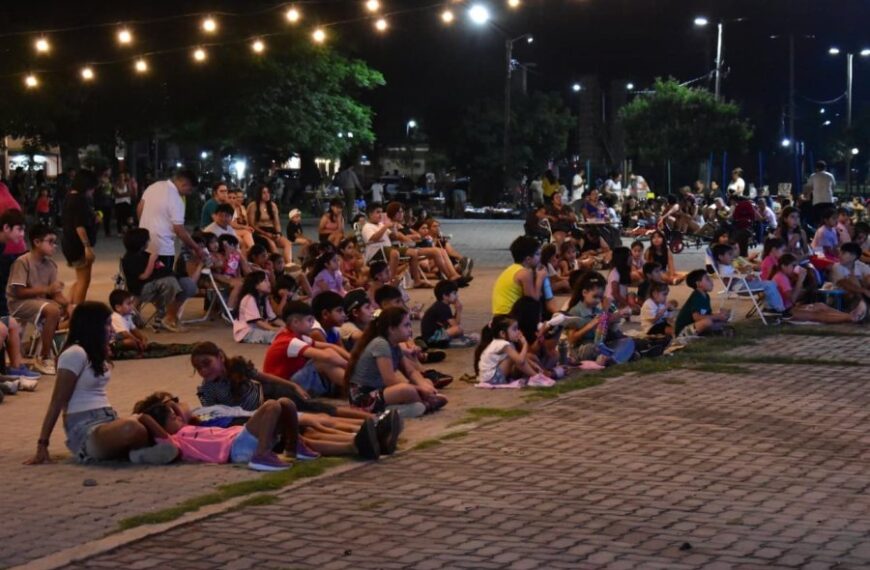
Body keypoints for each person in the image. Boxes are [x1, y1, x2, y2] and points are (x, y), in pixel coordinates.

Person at [25, 302, 175, 465]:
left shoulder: (95, 352)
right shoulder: (74, 354)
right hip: (85, 428)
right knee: (132, 428)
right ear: (92, 326)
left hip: (108, 419)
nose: (111, 329)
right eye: (106, 324)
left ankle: (138, 453)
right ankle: (139, 452)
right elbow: (57, 402)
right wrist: (42, 445)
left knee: (162, 415)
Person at [135, 391, 297, 471]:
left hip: (239, 439)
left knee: (285, 404)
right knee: (271, 405)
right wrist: (143, 417)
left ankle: (294, 448)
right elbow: (155, 428)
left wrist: (170, 406)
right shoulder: (175, 440)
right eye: (173, 418)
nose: (178, 417)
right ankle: (261, 457)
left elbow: (181, 413)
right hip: (235, 448)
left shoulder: (188, 427)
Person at [345, 306, 447, 416]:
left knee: (427, 382)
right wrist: (420, 390)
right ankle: (420, 405)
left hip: (382, 392)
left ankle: (421, 405)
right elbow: (390, 381)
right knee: (407, 390)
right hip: (364, 398)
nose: (410, 330)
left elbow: (410, 372)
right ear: (392, 329)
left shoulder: (395, 346)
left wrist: (425, 386)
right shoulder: (381, 344)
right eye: (406, 325)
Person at [7, 224, 68, 374]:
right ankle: (43, 357)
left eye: (55, 242)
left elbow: (55, 294)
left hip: (39, 302)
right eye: (50, 242)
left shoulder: (51, 265)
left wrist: (67, 304)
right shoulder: (23, 261)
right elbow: (19, 292)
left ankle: (56, 353)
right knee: (52, 310)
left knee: (73, 310)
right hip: (17, 303)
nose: (54, 246)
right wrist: (47, 290)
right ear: (37, 242)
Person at [136, 169, 201, 302]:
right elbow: (179, 230)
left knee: (144, 280)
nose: (188, 194)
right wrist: (196, 248)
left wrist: (145, 227)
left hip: (143, 244)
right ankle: (162, 315)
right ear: (185, 184)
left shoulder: (153, 187)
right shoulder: (177, 200)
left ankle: (135, 310)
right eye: (189, 190)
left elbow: (140, 209)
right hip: (163, 248)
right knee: (165, 283)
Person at [262, 301, 349, 397]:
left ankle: (354, 385)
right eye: (309, 320)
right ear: (295, 322)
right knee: (322, 361)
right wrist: (351, 366)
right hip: (280, 388)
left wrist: (353, 360)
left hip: (290, 381)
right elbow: (327, 356)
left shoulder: (300, 336)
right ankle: (357, 387)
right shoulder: (289, 341)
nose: (312, 324)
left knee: (328, 354)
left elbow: (331, 346)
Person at [121, 228, 189, 332]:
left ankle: (167, 315)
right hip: (141, 290)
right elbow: (143, 276)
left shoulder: (144, 254)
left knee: (180, 282)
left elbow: (160, 268)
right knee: (169, 282)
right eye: (147, 240)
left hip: (153, 285)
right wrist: (152, 260)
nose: (149, 242)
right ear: (141, 243)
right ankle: (162, 315)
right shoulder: (129, 258)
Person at [772, 254, 865, 324]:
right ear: (784, 266)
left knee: (820, 306)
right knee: (817, 315)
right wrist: (800, 280)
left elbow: (793, 295)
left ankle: (849, 315)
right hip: (786, 312)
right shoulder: (781, 278)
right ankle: (850, 317)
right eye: (793, 266)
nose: (795, 268)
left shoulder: (784, 277)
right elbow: (792, 299)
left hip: (789, 308)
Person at [108, 289, 194, 358]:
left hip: (124, 339)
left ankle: (138, 346)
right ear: (118, 307)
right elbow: (125, 333)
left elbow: (133, 329)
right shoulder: (116, 317)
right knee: (130, 342)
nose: (132, 306)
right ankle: (136, 348)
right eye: (128, 304)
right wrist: (137, 341)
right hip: (113, 343)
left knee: (143, 338)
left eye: (131, 303)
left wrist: (142, 338)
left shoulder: (127, 316)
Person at [711, 243, 789, 319]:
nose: (732, 257)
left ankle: (771, 308)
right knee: (769, 285)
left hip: (742, 284)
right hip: (740, 287)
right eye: (729, 254)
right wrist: (743, 275)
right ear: (721, 257)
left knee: (771, 284)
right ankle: (779, 309)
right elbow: (729, 280)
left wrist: (744, 276)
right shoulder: (723, 268)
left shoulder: (727, 266)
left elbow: (735, 275)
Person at [61, 170, 98, 314]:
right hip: (77, 245)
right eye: (92, 188)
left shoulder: (69, 196)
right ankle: (77, 312)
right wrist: (87, 247)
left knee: (79, 278)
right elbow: (79, 226)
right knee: (84, 280)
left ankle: (69, 307)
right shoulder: (80, 200)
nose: (93, 191)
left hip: (69, 243)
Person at [474, 315, 547, 388]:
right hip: (493, 379)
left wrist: (532, 364)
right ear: (502, 334)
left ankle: (538, 375)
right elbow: (520, 361)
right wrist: (525, 344)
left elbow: (521, 358)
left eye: (517, 328)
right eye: (514, 329)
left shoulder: (504, 343)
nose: (518, 332)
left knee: (526, 358)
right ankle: (537, 377)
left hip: (491, 378)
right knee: (515, 359)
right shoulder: (503, 344)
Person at [491, 236, 545, 317]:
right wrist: (540, 277)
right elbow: (533, 301)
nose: (540, 258)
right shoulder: (525, 273)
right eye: (537, 254)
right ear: (528, 259)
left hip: (499, 315)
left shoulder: (512, 269)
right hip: (508, 317)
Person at [421, 280, 477, 349]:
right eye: (454, 293)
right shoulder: (442, 307)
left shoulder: (442, 305)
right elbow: (456, 325)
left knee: (458, 330)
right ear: (445, 296)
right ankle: (457, 341)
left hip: (433, 335)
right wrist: (458, 310)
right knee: (458, 329)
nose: (457, 296)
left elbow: (452, 324)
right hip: (431, 338)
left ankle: (460, 340)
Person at [246, 184, 293, 265]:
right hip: (259, 231)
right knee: (271, 243)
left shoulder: (273, 205)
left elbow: (276, 222)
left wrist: (278, 233)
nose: (267, 194)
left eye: (268, 192)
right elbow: (252, 224)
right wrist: (266, 234)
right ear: (259, 194)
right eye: (264, 192)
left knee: (287, 243)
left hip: (272, 231)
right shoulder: (253, 205)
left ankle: (288, 263)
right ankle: (278, 264)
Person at [234, 271, 283, 344]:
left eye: (268, 280)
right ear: (256, 286)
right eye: (265, 281)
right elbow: (258, 322)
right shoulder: (249, 298)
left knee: (283, 332)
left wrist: (287, 326)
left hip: (258, 329)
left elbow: (273, 318)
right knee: (273, 335)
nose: (269, 283)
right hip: (247, 332)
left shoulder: (264, 298)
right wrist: (274, 329)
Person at [829, 242, 870, 311]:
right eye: (840, 253)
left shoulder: (861, 265)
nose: (839, 255)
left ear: (853, 256)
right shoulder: (837, 266)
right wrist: (863, 290)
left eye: (843, 253)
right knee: (853, 280)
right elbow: (842, 283)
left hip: (862, 294)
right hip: (841, 296)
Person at [804, 160, 835, 226]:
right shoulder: (830, 176)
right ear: (825, 168)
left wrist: (807, 195)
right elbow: (833, 187)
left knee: (818, 221)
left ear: (816, 168)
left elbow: (808, 187)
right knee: (829, 219)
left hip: (818, 202)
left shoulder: (813, 176)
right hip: (829, 201)